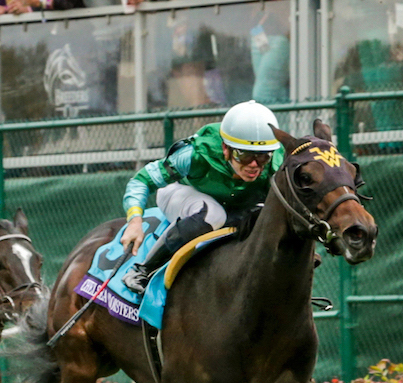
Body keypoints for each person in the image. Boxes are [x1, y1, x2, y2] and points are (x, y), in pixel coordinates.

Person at [118, 100, 285, 293]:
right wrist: (134, 221)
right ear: (225, 149)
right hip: (181, 193)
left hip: (232, 205)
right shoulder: (194, 154)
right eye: (245, 155)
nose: (255, 164)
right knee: (213, 214)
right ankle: (142, 270)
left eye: (263, 156)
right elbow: (142, 181)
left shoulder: (276, 163)